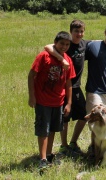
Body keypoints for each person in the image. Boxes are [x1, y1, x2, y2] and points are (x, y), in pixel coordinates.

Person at [28, 31, 76, 170]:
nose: (64, 47)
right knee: (43, 129)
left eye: (67, 44)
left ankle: (49, 154)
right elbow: (31, 76)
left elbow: (68, 82)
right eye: (62, 44)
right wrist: (32, 96)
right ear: (55, 43)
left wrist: (69, 102)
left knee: (54, 129)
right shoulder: (44, 56)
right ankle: (42, 158)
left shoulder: (67, 60)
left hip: (58, 101)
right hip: (43, 100)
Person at [43, 20, 89, 156]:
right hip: (62, 87)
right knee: (65, 117)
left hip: (76, 86)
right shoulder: (65, 44)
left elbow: (101, 42)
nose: (79, 34)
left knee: (84, 115)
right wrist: (61, 59)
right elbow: (47, 46)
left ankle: (73, 142)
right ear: (71, 32)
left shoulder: (84, 44)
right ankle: (63, 145)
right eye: (76, 31)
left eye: (81, 31)